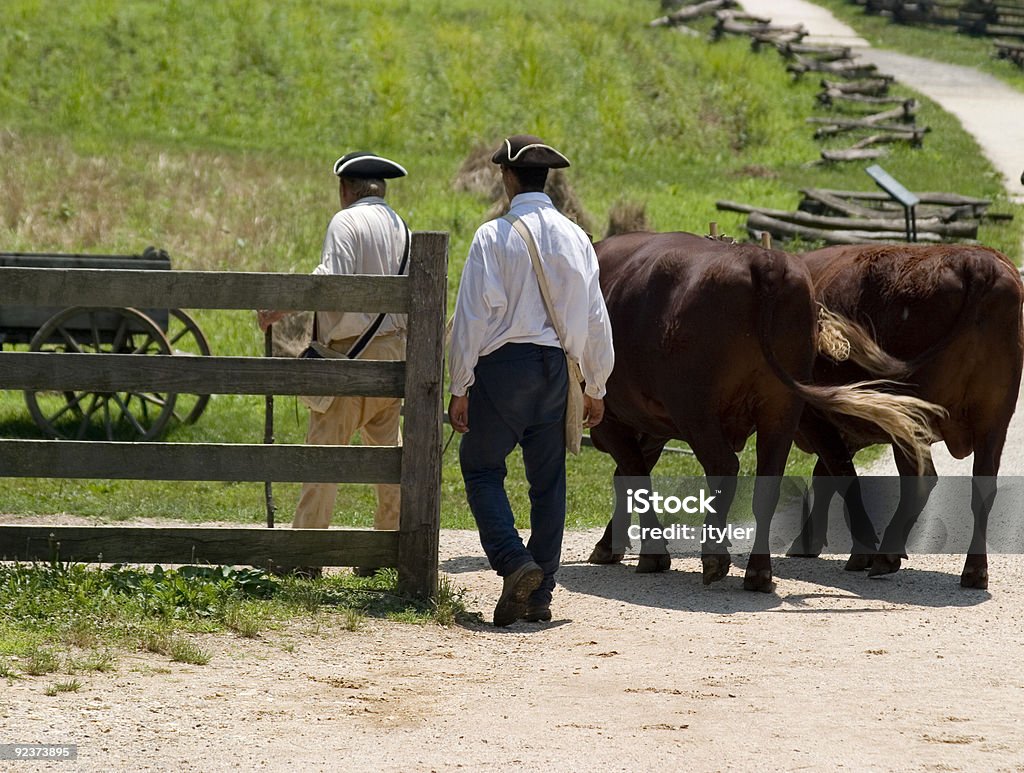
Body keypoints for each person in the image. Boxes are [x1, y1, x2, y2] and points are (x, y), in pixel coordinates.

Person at [448, 134, 615, 626]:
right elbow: (594, 316)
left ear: (507, 176)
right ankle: (540, 593)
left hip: (504, 369)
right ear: (548, 180)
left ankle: (514, 561)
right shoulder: (577, 238)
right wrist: (597, 385)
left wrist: (460, 384)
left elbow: (472, 316)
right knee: (548, 483)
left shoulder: (492, 237)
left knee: (479, 466)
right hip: (560, 370)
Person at [258, 151, 410, 576]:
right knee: (389, 461)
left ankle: (306, 555)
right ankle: (386, 549)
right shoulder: (402, 228)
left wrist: (279, 308)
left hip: (348, 357)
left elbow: (330, 282)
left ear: (345, 188)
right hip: (394, 355)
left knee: (323, 458)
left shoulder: (345, 222)